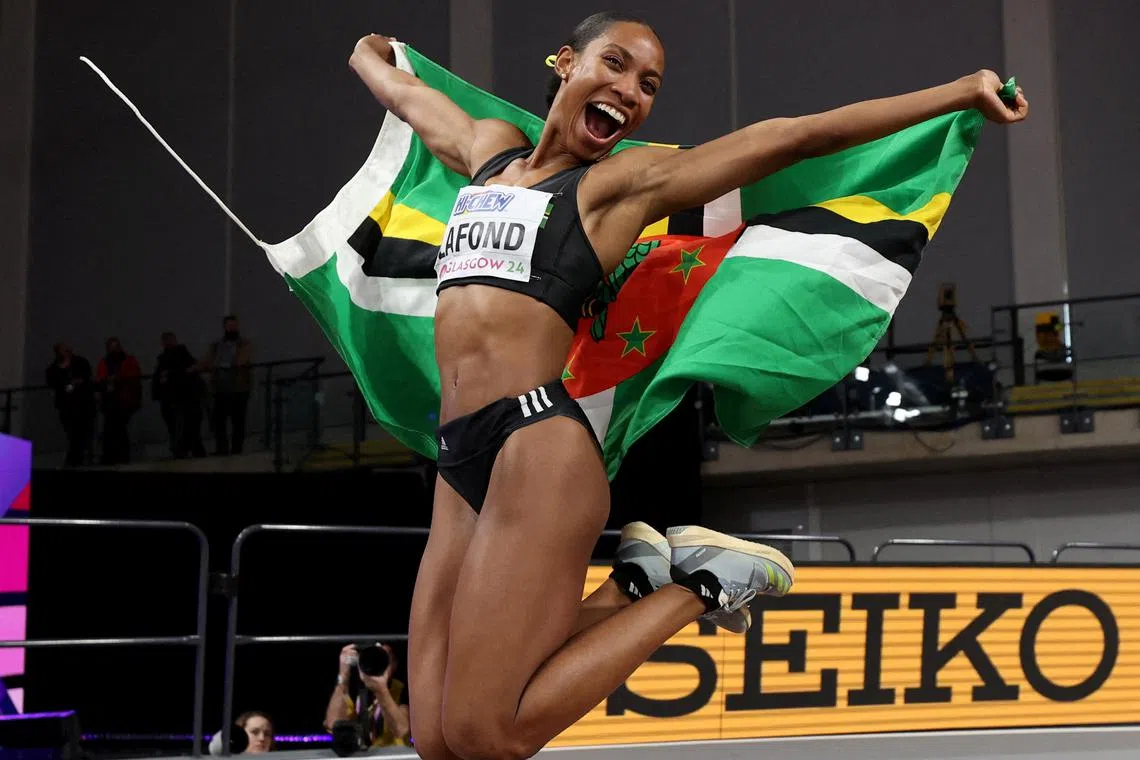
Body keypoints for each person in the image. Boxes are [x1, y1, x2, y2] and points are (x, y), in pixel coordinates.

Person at [348, 12, 1028, 760]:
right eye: (615, 65)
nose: (631, 92)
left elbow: (791, 137)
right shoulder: (488, 155)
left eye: (648, 86)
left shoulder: (617, 188)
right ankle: (628, 590)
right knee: (437, 737)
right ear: (566, 62)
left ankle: (698, 588)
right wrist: (369, 54)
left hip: (534, 446)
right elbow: (408, 100)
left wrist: (960, 92)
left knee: (490, 734)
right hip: (458, 460)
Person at [324, 643, 411, 748]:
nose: (377, 663)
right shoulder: (350, 688)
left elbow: (401, 730)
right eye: (373, 658)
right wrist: (343, 676)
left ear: (394, 664)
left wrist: (381, 690)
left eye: (383, 658)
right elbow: (333, 724)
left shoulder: (403, 689)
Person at [199, 315, 253, 455]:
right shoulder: (216, 345)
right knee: (220, 423)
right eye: (230, 325)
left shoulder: (244, 344)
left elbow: (240, 361)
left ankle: (236, 450)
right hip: (220, 389)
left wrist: (218, 365)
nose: (232, 328)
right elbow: (206, 361)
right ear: (225, 327)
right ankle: (222, 450)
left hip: (239, 388)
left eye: (234, 325)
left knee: (238, 422)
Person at [44, 342, 96, 467]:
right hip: (66, 406)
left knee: (82, 432)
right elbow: (53, 384)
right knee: (72, 433)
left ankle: (78, 458)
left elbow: (86, 378)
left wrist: (77, 383)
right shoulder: (53, 369)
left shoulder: (81, 363)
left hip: (83, 404)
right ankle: (75, 459)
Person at [94, 337, 142, 465]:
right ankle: (114, 456)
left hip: (123, 400)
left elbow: (133, 376)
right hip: (111, 401)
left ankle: (119, 456)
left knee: (118, 428)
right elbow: (100, 379)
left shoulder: (128, 361)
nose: (114, 350)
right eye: (112, 347)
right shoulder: (105, 362)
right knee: (113, 429)